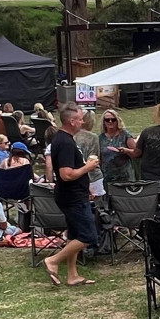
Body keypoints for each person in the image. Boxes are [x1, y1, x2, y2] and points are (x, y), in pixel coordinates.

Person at [44, 105, 102, 288]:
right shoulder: (66, 142)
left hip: (74, 193)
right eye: (80, 118)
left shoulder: (63, 139)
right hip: (72, 197)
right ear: (72, 121)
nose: (82, 122)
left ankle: (72, 275)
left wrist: (85, 186)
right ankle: (53, 260)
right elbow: (66, 174)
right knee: (89, 236)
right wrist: (88, 167)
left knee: (74, 234)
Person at [98, 110, 137, 184]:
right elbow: (99, 158)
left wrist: (126, 151)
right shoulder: (100, 138)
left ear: (117, 121)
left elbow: (136, 153)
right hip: (107, 177)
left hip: (125, 177)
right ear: (104, 122)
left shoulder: (125, 135)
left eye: (113, 119)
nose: (110, 122)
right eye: (107, 120)